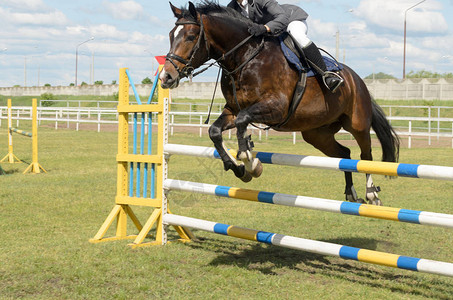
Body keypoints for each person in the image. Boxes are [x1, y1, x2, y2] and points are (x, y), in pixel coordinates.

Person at [227, 0, 344, 93]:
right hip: (271, 32)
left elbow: (282, 17)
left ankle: (326, 75)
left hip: (291, 20)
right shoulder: (232, 7)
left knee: (298, 36)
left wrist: (264, 28)